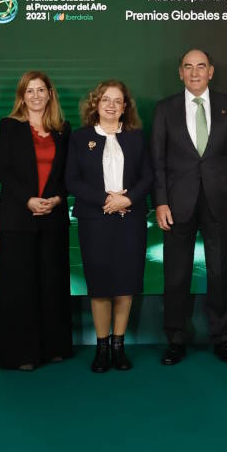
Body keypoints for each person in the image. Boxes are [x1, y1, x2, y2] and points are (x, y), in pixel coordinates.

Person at [151, 49, 227, 365]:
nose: (195, 72)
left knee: (221, 272)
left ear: (211, 71)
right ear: (180, 72)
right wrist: (161, 201)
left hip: (220, 201)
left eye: (201, 66)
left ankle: (223, 339)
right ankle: (176, 339)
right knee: (176, 274)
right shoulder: (164, 109)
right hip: (177, 203)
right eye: (188, 67)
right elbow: (158, 161)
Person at [68, 80, 152, 372]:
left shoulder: (137, 137)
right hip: (95, 220)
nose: (111, 105)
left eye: (118, 101)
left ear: (125, 107)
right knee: (101, 287)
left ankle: (119, 346)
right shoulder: (79, 138)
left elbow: (148, 176)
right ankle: (101, 348)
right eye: (106, 99)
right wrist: (106, 199)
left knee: (125, 285)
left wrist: (126, 202)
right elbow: (72, 180)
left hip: (130, 219)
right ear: (96, 103)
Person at [0, 71, 72, 371]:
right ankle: (21, 354)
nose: (36, 96)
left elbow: (69, 173)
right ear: (22, 96)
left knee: (52, 284)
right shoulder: (9, 126)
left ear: (50, 94)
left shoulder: (63, 129)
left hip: (52, 217)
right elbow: (3, 169)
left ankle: (54, 347)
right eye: (30, 91)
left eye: (41, 90)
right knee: (20, 287)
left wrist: (56, 199)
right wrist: (28, 199)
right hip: (17, 218)